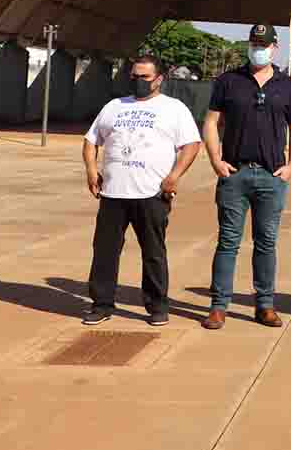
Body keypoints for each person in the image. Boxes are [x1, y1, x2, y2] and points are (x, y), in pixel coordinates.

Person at [80, 55, 201, 326]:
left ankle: (157, 306)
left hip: (152, 194)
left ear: (159, 79)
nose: (138, 81)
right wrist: (91, 170)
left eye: (144, 77)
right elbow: (90, 141)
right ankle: (101, 304)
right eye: (134, 76)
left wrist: (174, 176)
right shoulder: (113, 107)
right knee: (104, 251)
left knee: (153, 252)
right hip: (113, 194)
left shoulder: (174, 108)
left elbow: (192, 145)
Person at [200, 23, 291, 330]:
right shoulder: (228, 81)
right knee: (228, 241)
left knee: (266, 242)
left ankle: (265, 305)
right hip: (235, 174)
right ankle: (219, 307)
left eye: (263, 44)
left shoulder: (286, 86)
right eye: (253, 43)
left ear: (275, 48)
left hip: (272, 177)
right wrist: (216, 160)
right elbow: (211, 122)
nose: (257, 48)